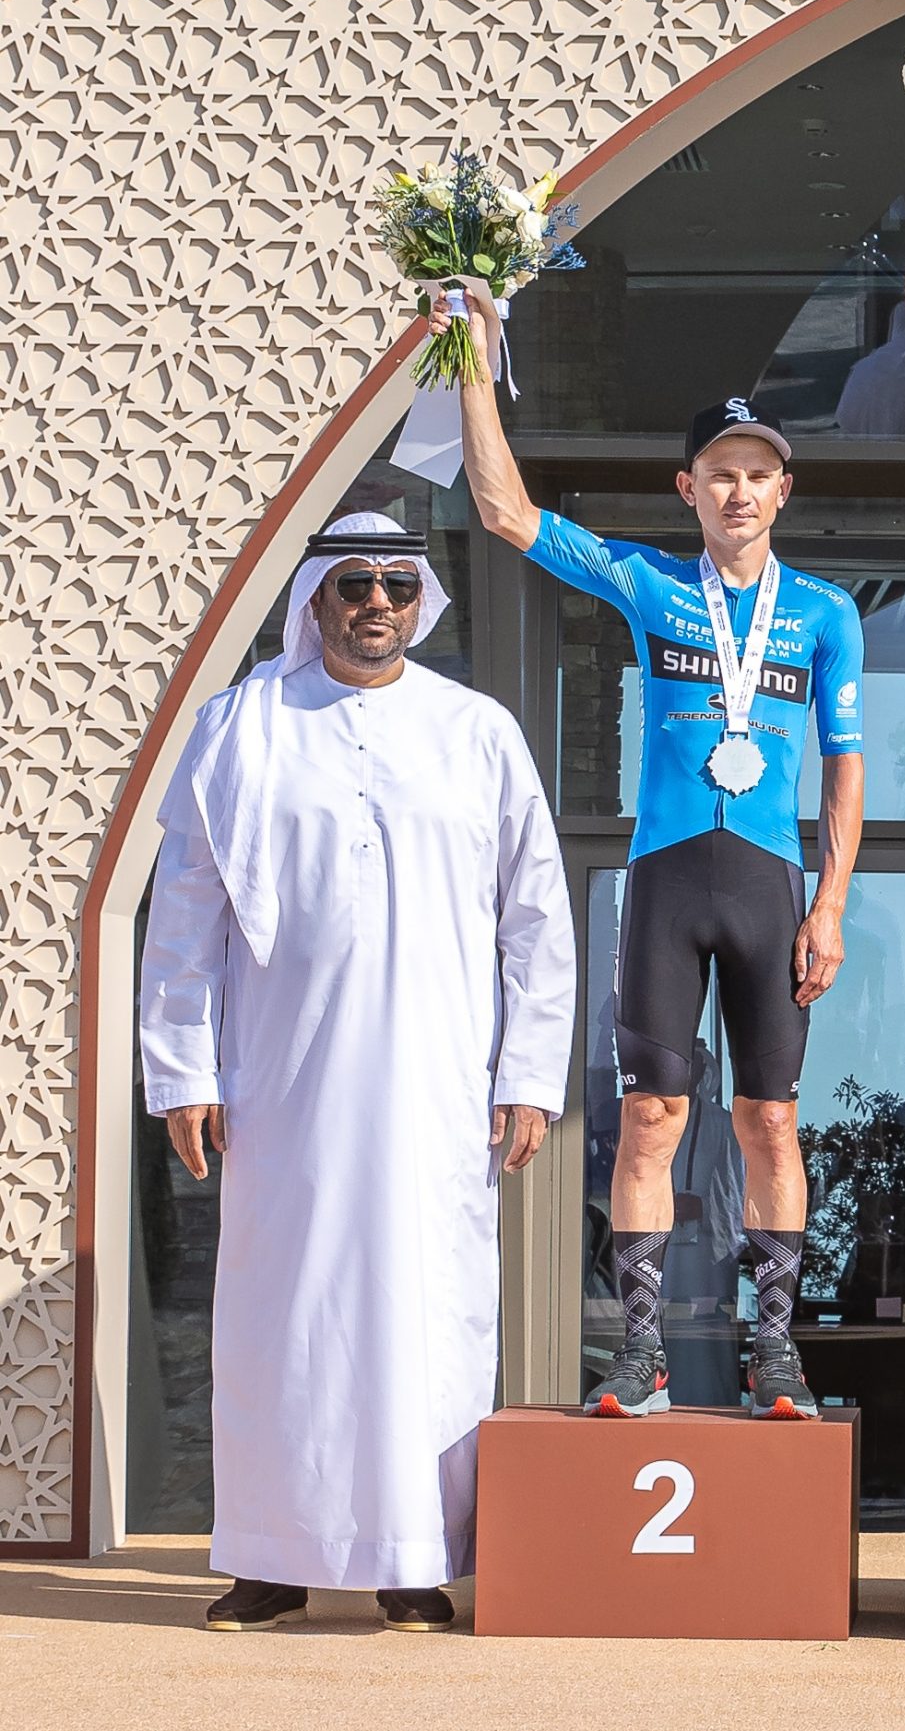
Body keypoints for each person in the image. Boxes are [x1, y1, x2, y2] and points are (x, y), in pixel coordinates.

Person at [436, 285, 866, 1421]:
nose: (737, 488)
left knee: (770, 1115)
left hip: (771, 880)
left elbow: (845, 765)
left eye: (757, 471)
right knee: (651, 1119)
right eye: (718, 471)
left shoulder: (824, 611)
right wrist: (475, 355)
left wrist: (830, 905)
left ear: (783, 489)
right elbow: (502, 508)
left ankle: (777, 1352)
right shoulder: (649, 580)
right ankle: (640, 1354)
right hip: (669, 873)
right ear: (690, 488)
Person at [139, 515, 576, 1632]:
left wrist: (528, 1070)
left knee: (427, 1309)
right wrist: (184, 1068)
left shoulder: (475, 730)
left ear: (420, 597)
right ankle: (270, 1555)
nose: (374, 601)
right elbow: (185, 911)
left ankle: (414, 1553)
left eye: (393, 581)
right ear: (313, 603)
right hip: (282, 1085)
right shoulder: (238, 727)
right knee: (281, 1313)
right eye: (350, 584)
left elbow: (536, 914)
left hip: (438, 1085)